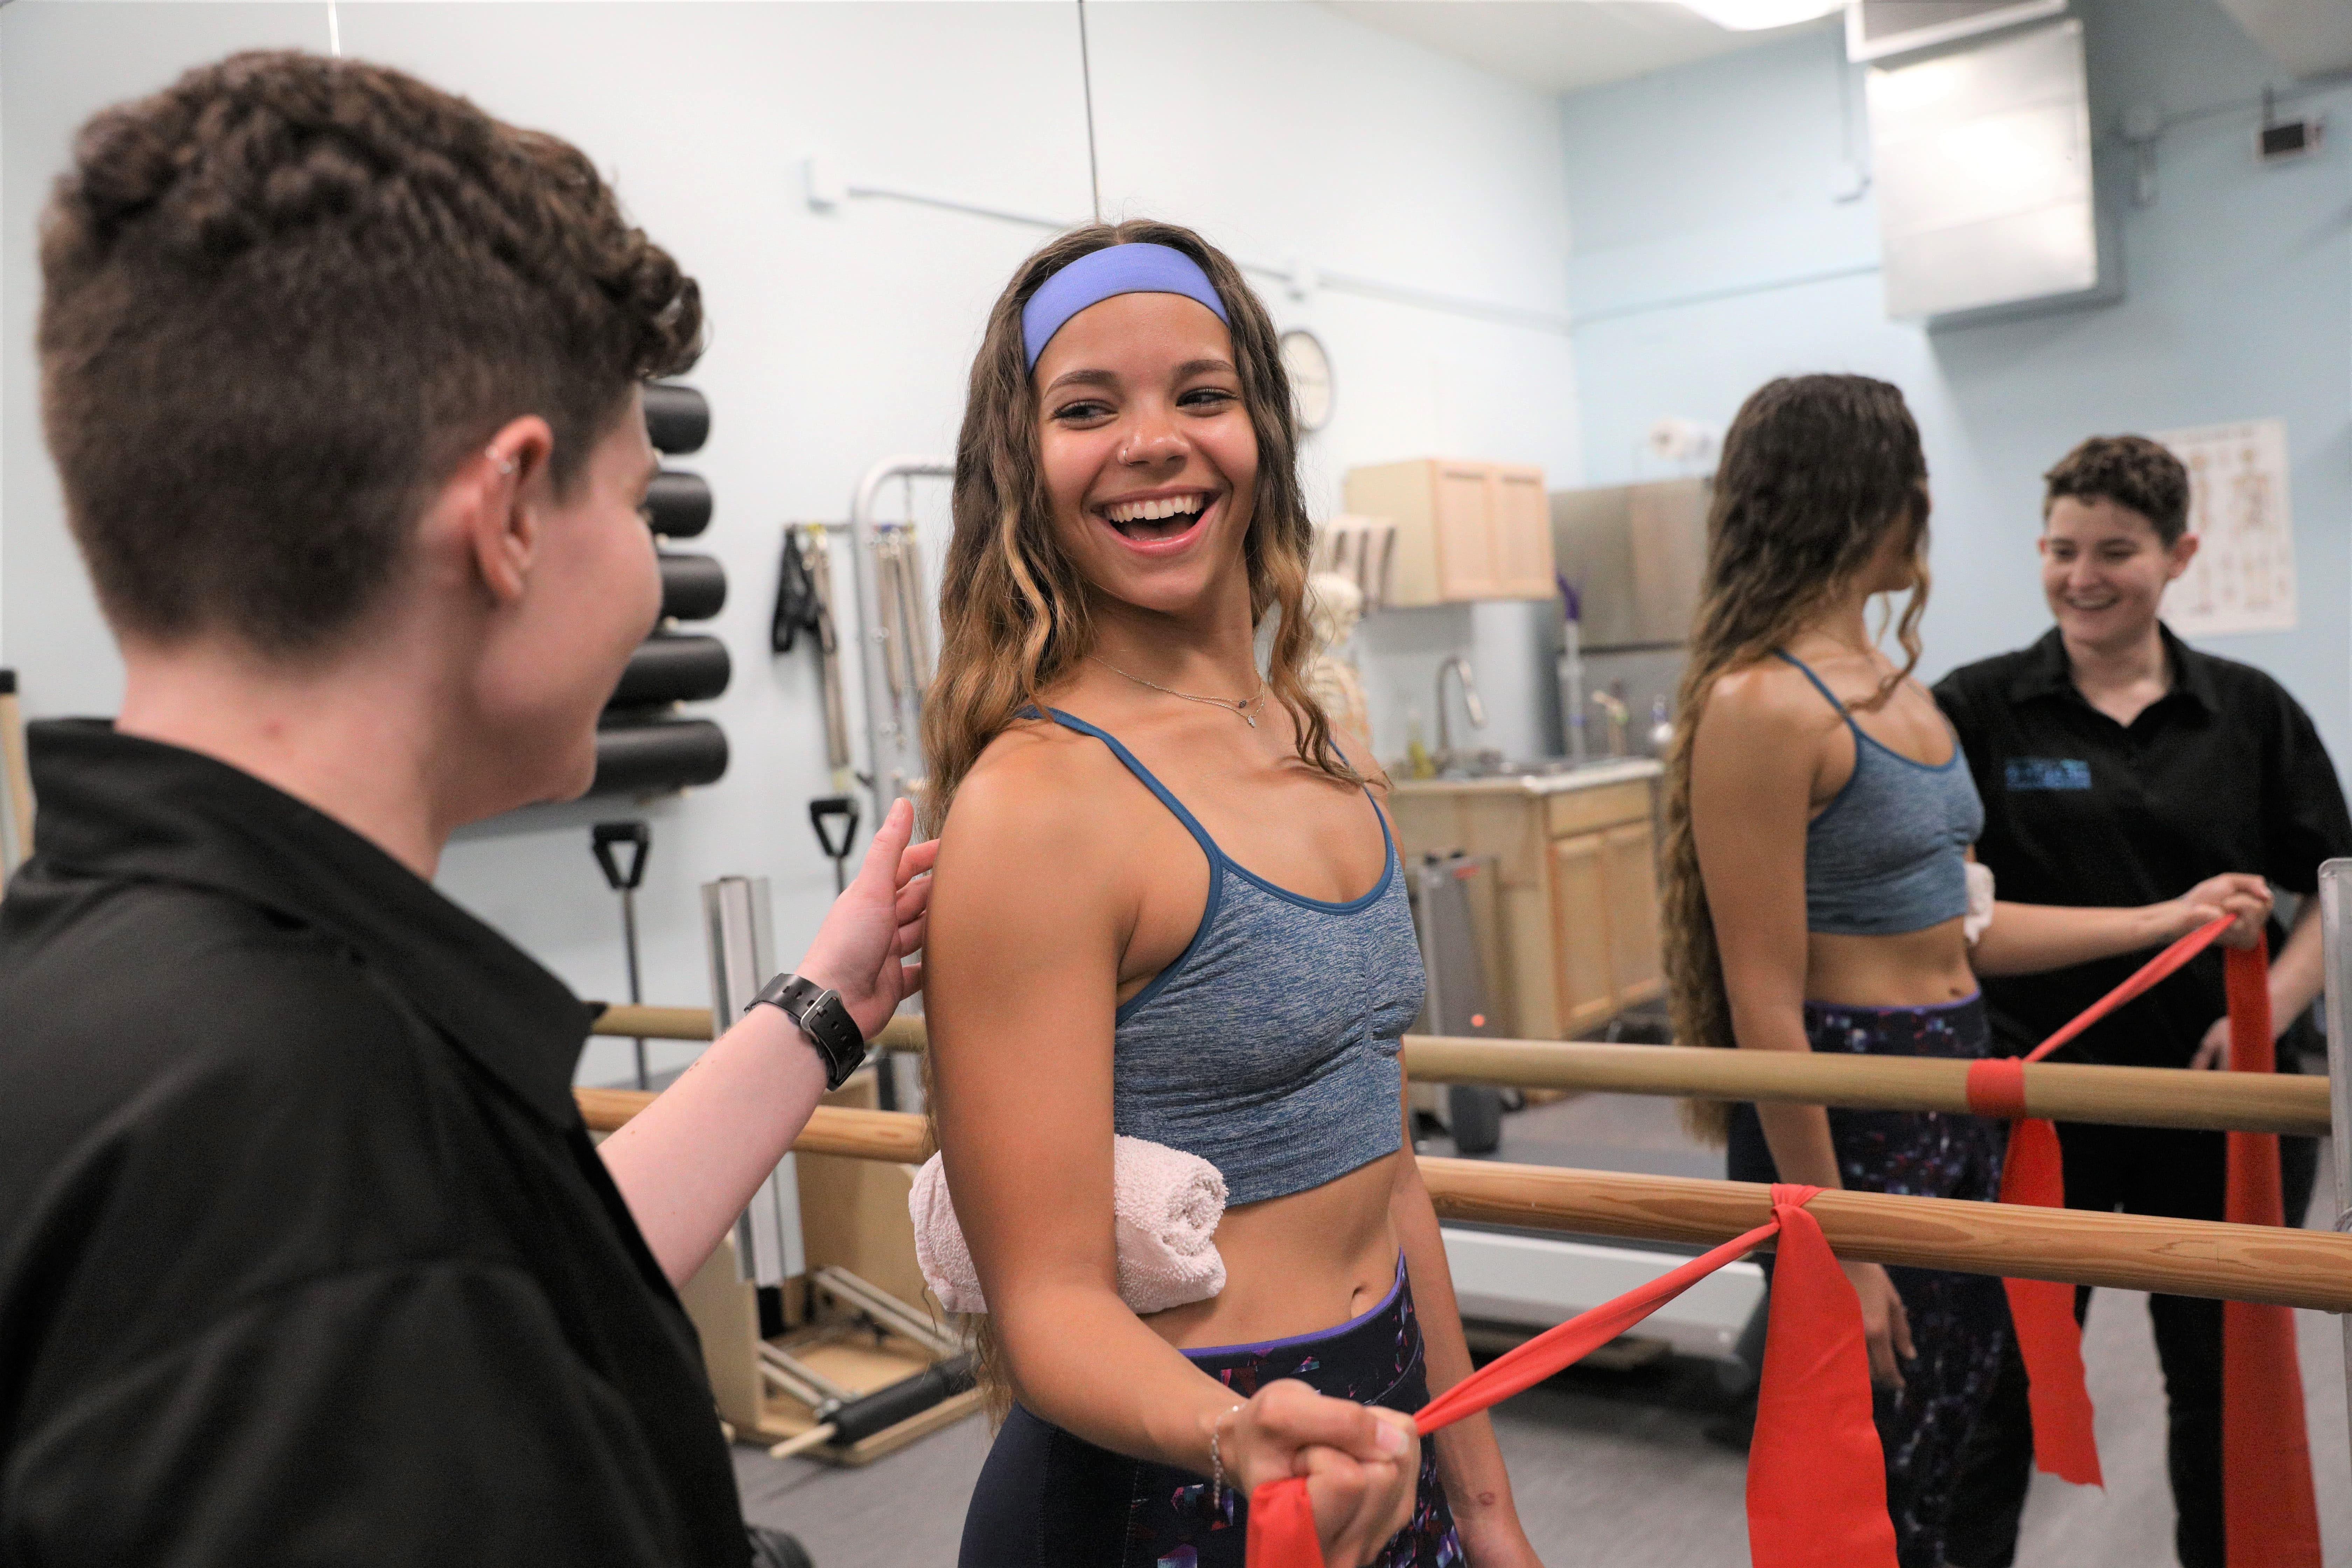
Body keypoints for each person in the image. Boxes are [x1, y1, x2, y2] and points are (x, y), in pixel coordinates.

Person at [0, 52, 933, 1566]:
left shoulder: (114, 986)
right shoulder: (318, 1159)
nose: (644, 567)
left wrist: (824, 1004)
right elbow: (404, 1262)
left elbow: (525, 1259)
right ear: (506, 515)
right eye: (635, 502)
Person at [920, 222, 1538, 1568]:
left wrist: (1485, 1506)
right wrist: (1231, 1439)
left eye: (1201, 394)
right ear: (1025, 466)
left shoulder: (1333, 754)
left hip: (1384, 1447)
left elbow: (1394, 1185)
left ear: (1263, 428)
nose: (1154, 442)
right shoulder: (1040, 806)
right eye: (1088, 410)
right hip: (1174, 1487)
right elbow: (1046, 1306)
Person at [1659, 376, 2270, 1568]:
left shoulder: (1907, 699)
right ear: (1855, 497)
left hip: (1954, 1101)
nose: (1929, 509)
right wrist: (1845, 1239)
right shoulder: (1762, 706)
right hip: (1853, 1124)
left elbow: (1967, 935)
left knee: (1947, 1451)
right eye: (1914, 481)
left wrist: (2166, 917)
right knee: (1870, 1466)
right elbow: (1764, 1002)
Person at [1934, 434, 2352, 1568]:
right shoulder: (1975, 709)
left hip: (2214, 1112)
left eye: (2116, 550)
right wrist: (2165, 919)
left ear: (2180, 556)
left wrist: (2268, 1005)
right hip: (2041, 1108)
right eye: (2062, 549)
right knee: (2004, 1391)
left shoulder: (2252, 713)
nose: (2083, 575)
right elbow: (1947, 917)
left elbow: (2333, 892)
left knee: (2223, 1398)